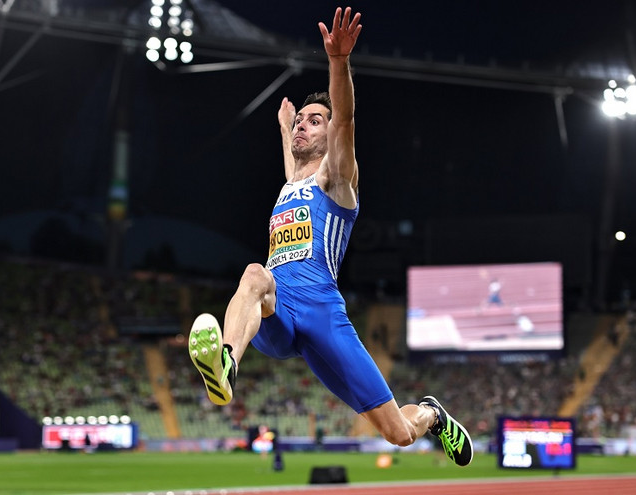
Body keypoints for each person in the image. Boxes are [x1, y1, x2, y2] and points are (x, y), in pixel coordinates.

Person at [188, 6, 473, 467]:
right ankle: (226, 365)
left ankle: (431, 415)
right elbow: (292, 169)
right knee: (255, 274)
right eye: (300, 119)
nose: (303, 123)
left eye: (313, 120)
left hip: (322, 312)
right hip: (278, 309)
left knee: (398, 434)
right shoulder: (291, 184)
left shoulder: (337, 180)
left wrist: (338, 62)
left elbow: (344, 121)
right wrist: (285, 128)